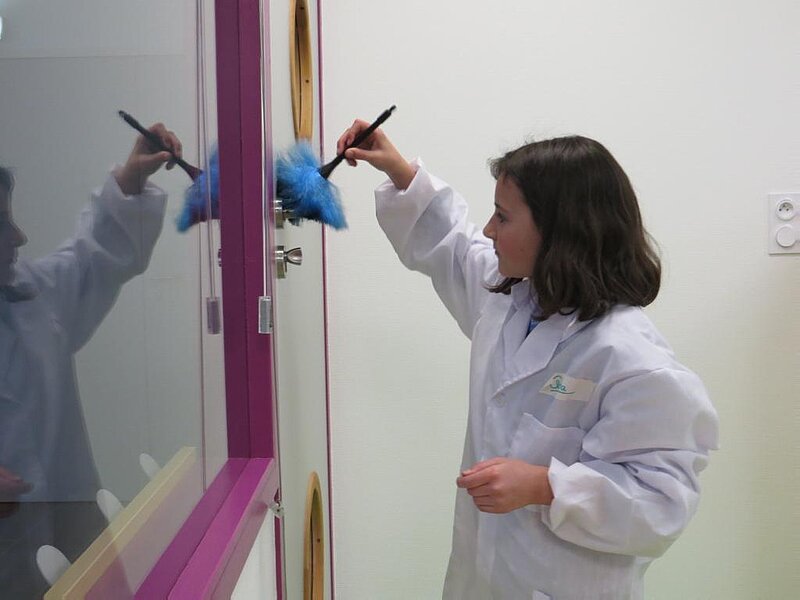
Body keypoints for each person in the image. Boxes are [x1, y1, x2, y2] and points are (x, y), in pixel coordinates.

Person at [337, 122, 719, 600]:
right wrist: (400, 171)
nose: (490, 230)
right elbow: (454, 245)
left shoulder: (631, 360)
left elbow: (661, 507)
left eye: (503, 216)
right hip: (483, 582)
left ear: (561, 234)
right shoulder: (510, 302)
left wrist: (545, 485)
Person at [0, 123, 181, 598]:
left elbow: (91, 258)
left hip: (71, 540)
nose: (19, 237)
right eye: (0, 224)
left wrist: (131, 178)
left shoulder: (29, 300)